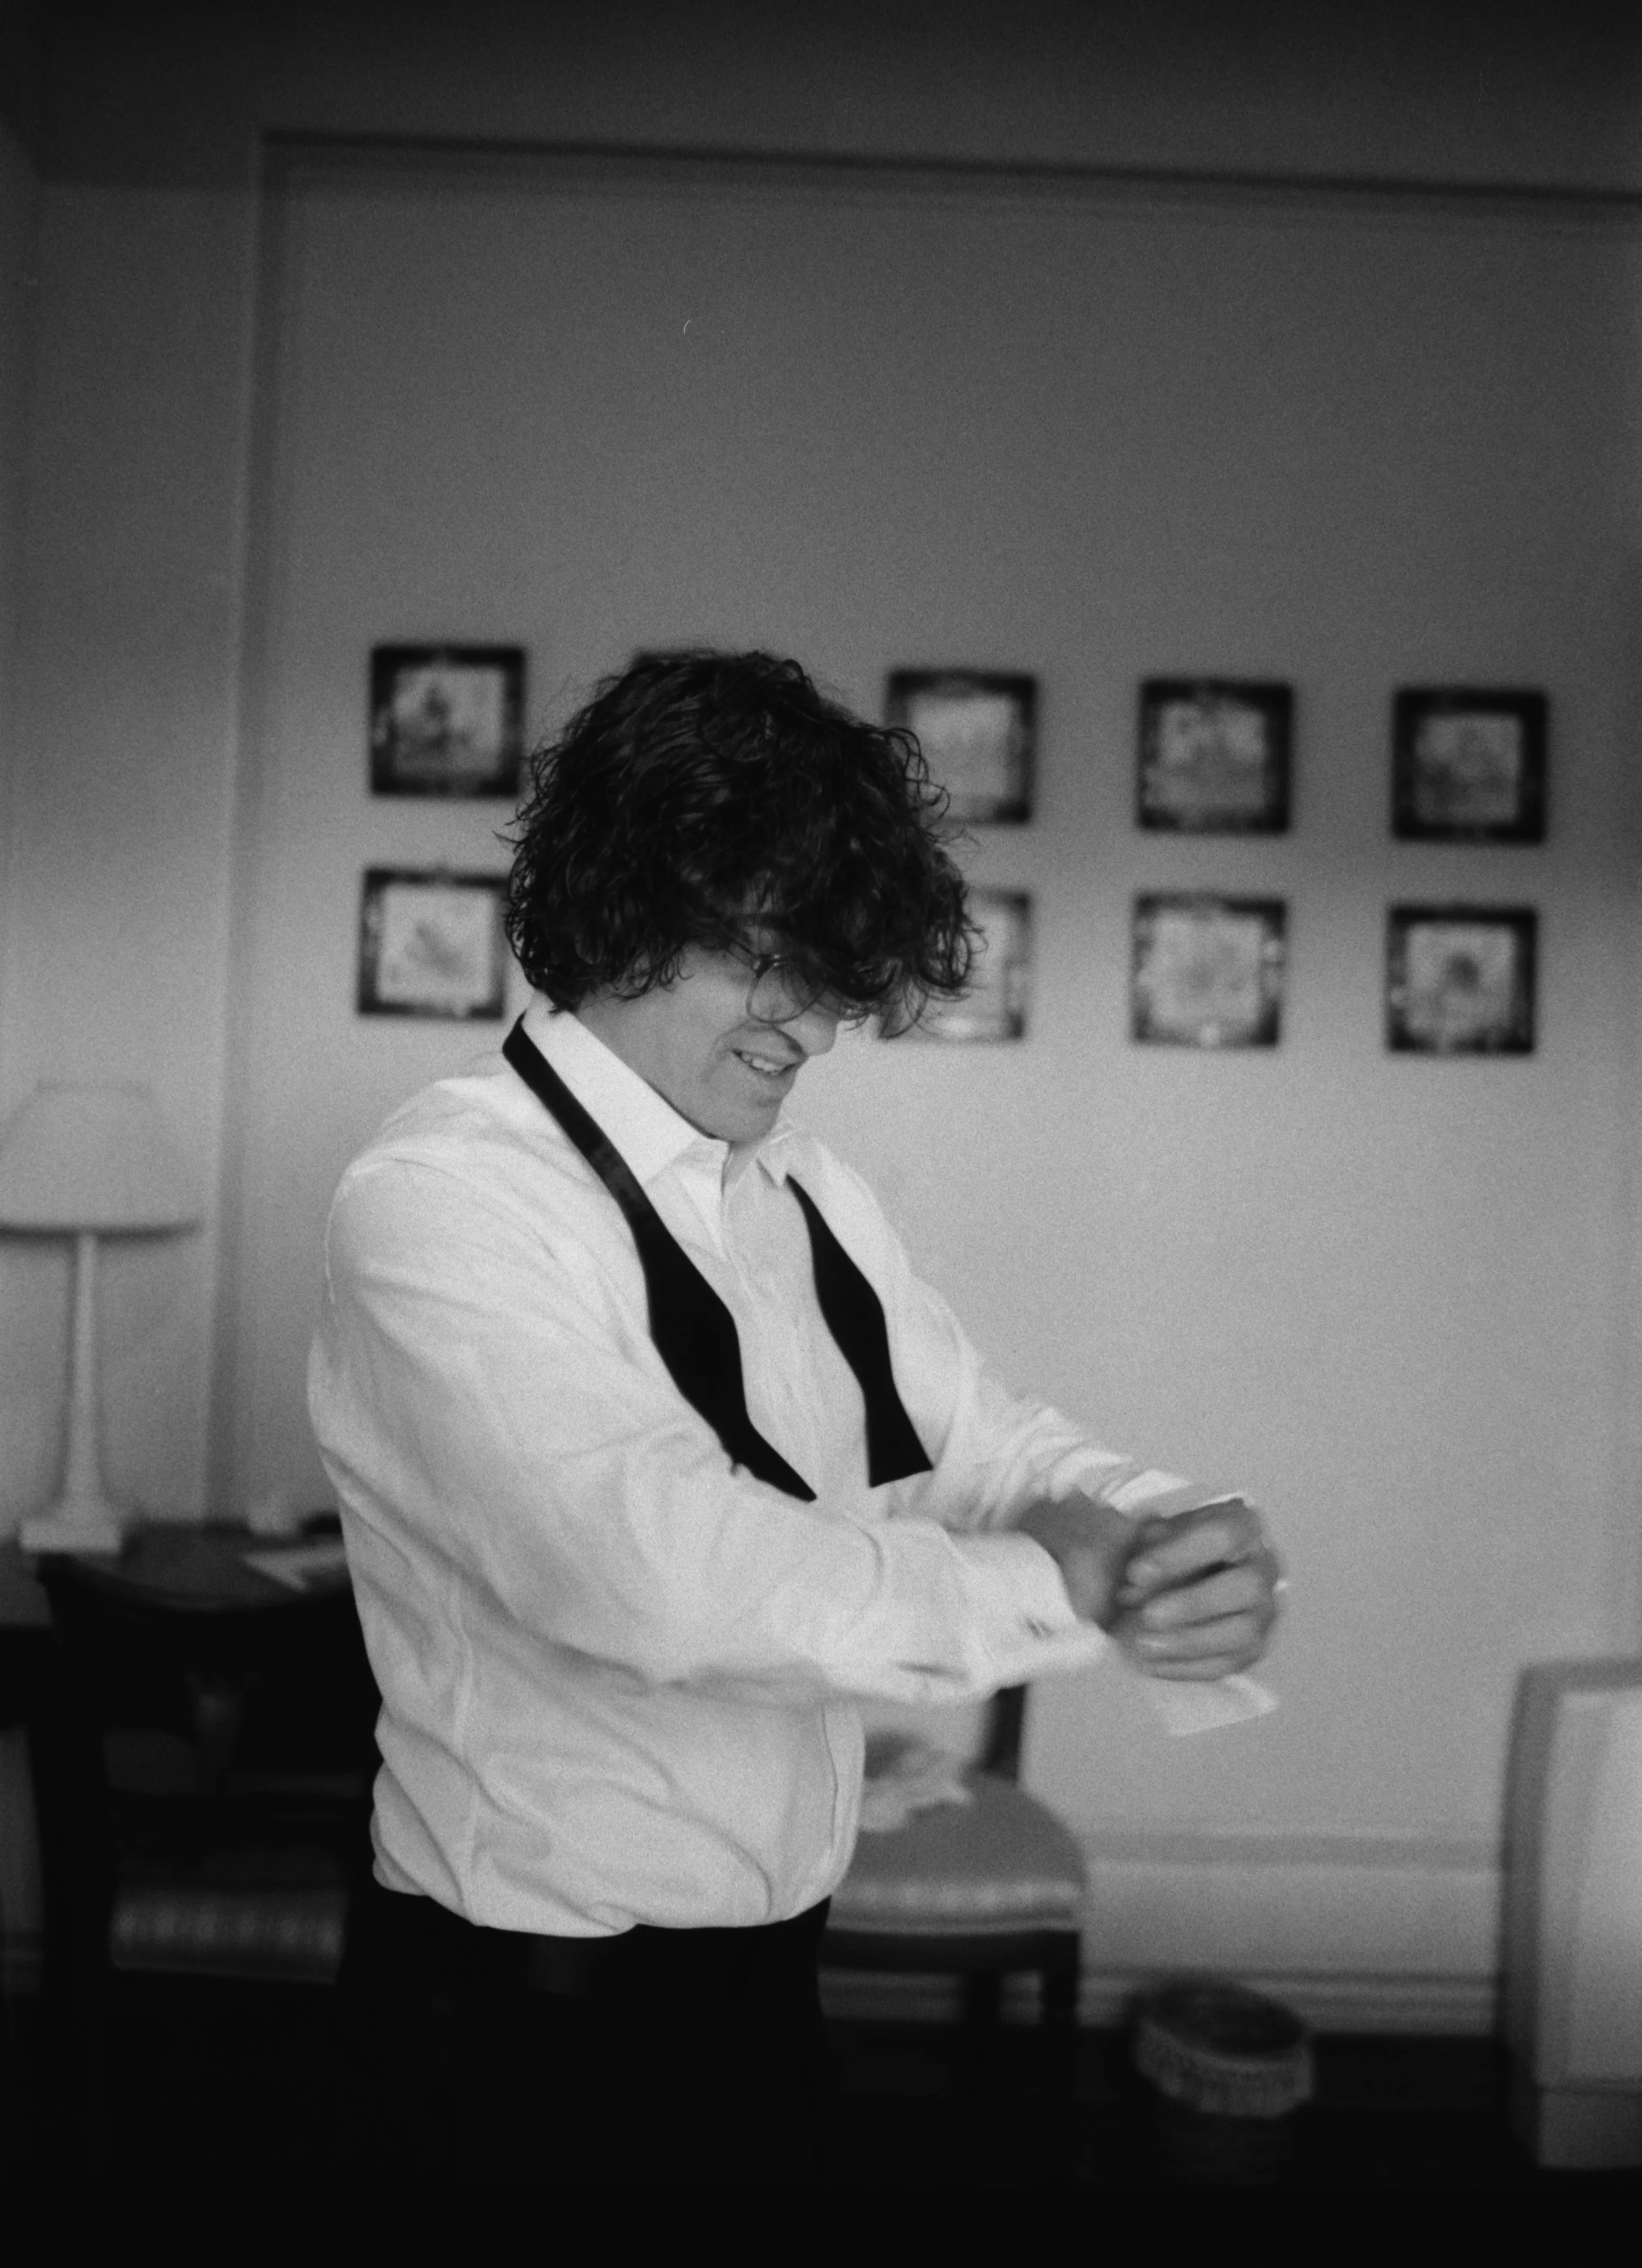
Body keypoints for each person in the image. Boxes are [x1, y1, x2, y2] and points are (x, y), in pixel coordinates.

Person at [310, 648, 1281, 2182]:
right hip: (517, 2035)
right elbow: (653, 1573)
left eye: (830, 972)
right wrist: (1055, 1581)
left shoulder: (804, 1192)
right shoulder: (440, 1199)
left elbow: (978, 1442)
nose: (812, 1024)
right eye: (769, 954)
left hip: (768, 2003)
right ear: (625, 902)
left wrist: (1161, 1536)